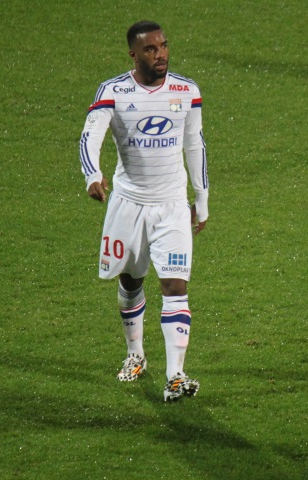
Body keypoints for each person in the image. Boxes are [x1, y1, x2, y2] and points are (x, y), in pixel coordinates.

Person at [79, 20, 208, 402]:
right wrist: (92, 175)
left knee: (175, 285)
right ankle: (135, 354)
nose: (161, 54)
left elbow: (195, 145)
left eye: (164, 46)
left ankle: (175, 375)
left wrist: (201, 198)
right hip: (129, 204)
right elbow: (90, 135)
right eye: (151, 49)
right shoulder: (114, 91)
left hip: (172, 205)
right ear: (134, 55)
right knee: (131, 281)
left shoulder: (186, 91)